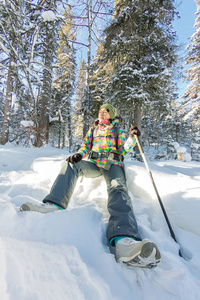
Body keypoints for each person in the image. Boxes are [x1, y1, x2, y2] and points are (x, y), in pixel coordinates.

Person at [20, 103, 161, 268]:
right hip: (94, 164)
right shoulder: (94, 129)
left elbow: (124, 150)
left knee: (118, 188)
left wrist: (132, 137)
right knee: (70, 165)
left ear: (112, 115)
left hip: (112, 163)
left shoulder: (117, 130)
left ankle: (124, 240)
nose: (101, 114)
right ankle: (53, 203)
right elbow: (86, 145)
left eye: (105, 112)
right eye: (100, 111)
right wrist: (79, 155)